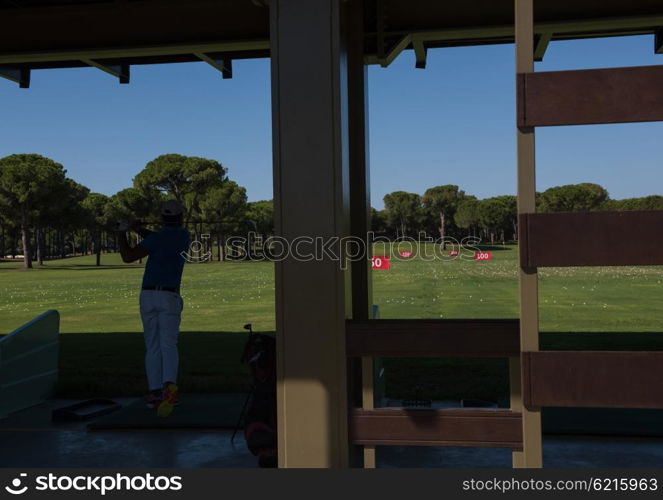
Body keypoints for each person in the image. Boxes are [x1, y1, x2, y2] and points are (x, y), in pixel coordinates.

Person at [117, 200, 191, 417]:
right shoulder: (184, 236)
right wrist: (136, 228)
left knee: (152, 345)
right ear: (180, 217)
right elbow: (155, 238)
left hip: (147, 295)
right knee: (168, 343)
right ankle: (169, 391)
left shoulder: (156, 239)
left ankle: (154, 393)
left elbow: (128, 256)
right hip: (169, 295)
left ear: (161, 218)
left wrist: (123, 231)